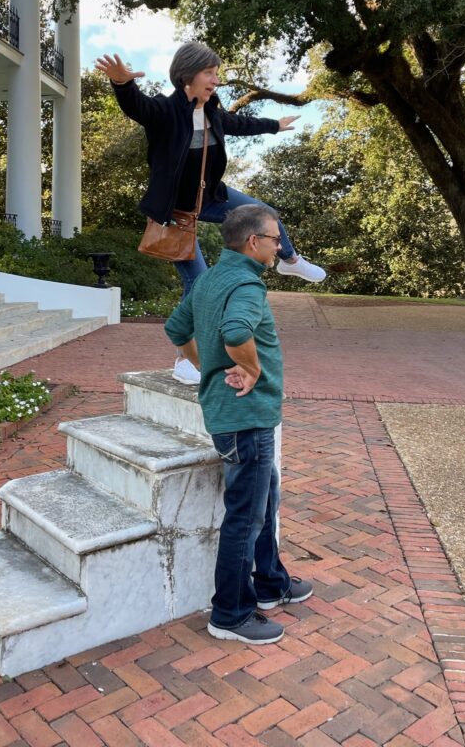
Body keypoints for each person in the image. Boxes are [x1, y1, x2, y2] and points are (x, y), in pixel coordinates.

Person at [96, 41, 326, 385]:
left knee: (265, 213)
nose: (215, 79)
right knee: (199, 283)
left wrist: (274, 126)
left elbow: (240, 123)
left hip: (212, 198)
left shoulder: (213, 112)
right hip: (176, 211)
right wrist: (122, 84)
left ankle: (289, 260)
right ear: (187, 74)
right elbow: (137, 106)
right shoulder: (165, 111)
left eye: (216, 73)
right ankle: (185, 360)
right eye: (209, 72)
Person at [164, 204, 314, 644]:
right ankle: (230, 613)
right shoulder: (247, 285)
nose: (279, 247)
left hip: (233, 414)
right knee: (245, 516)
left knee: (264, 501)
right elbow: (235, 332)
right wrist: (246, 369)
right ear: (253, 242)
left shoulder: (209, 277)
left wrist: (205, 364)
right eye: (275, 239)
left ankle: (270, 583)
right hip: (245, 419)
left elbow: (177, 327)